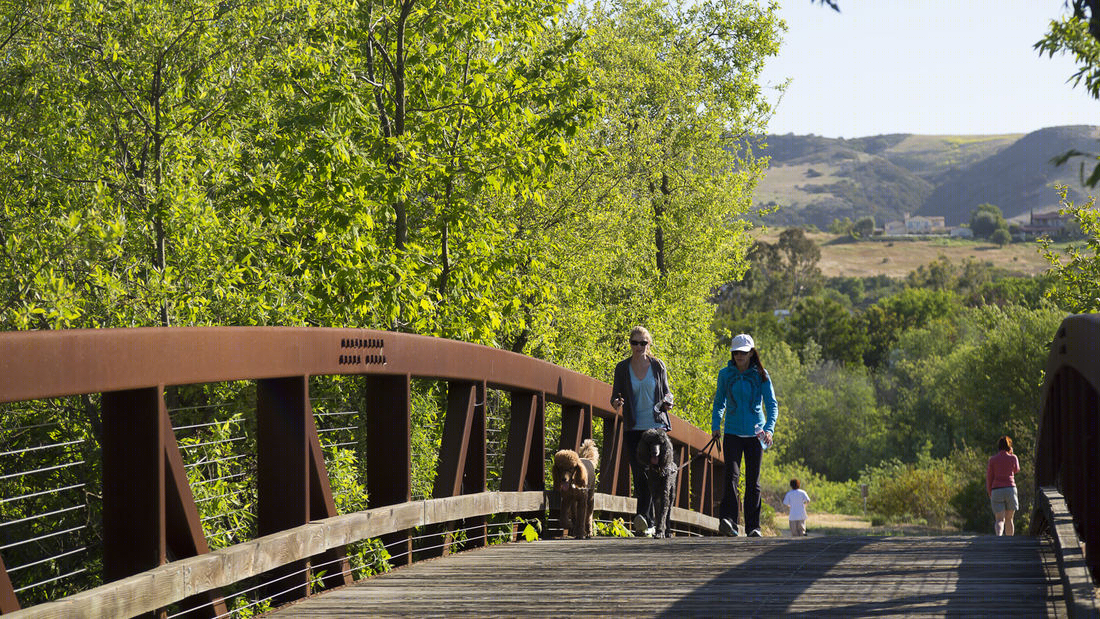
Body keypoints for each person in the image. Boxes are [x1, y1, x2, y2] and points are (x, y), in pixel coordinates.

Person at [711, 333, 778, 537]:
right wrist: (715, 425)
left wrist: (769, 429)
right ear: (732, 353)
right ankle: (728, 521)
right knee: (731, 476)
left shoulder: (761, 374)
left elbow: (772, 405)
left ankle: (753, 527)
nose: (740, 355)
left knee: (752, 482)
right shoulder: (725, 374)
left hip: (755, 435)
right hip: (731, 432)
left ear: (751, 353)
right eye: (736, 351)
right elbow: (719, 401)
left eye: (744, 351)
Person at [610, 326, 674, 537]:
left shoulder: (658, 366)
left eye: (643, 343)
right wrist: (617, 402)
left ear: (649, 344)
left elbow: (667, 393)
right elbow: (614, 398)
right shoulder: (622, 368)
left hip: (655, 427)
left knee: (654, 473)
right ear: (630, 344)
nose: (638, 347)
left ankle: (646, 519)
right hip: (633, 427)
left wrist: (667, 402)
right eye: (634, 343)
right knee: (639, 474)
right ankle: (646, 520)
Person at [986, 435, 1020, 536]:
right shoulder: (1013, 457)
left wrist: (989, 492)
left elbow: (989, 478)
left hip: (996, 490)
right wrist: (1011, 454)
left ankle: (999, 539)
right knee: (1010, 519)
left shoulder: (992, 460)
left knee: (999, 519)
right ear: (1009, 446)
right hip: (1010, 489)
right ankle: (1009, 542)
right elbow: (1016, 470)